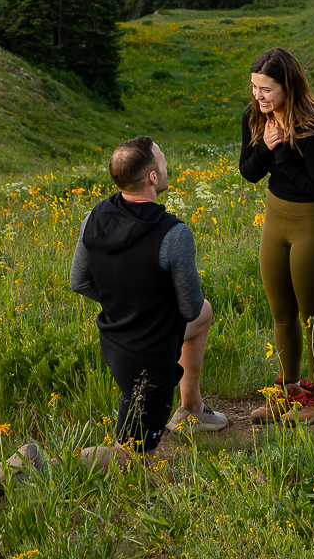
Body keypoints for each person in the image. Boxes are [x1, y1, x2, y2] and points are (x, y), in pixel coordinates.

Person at [70, 134, 227, 457]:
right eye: (163, 161)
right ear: (152, 177)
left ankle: (192, 408)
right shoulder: (173, 234)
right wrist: (149, 305)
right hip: (151, 358)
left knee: (205, 315)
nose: (167, 165)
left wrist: (125, 301)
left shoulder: (93, 218)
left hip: (116, 340)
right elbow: (187, 306)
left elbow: (79, 282)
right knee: (130, 456)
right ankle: (31, 468)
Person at [239, 47, 314, 425]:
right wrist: (267, 148)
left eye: (266, 89)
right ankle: (289, 392)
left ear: (289, 87)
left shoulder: (312, 128)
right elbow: (248, 172)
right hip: (275, 221)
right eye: (254, 87)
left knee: (313, 314)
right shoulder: (255, 118)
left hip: (313, 224)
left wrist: (281, 150)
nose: (258, 96)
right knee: (282, 315)